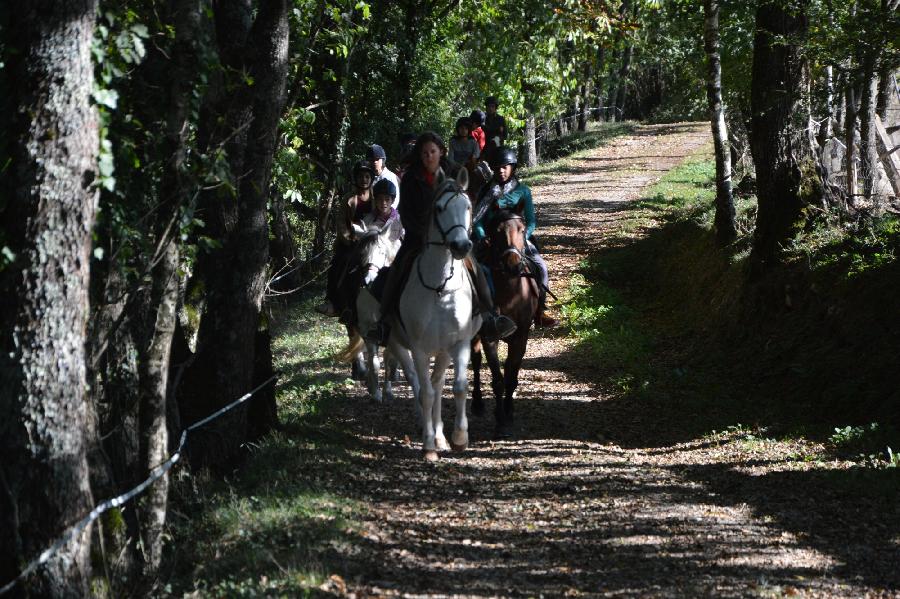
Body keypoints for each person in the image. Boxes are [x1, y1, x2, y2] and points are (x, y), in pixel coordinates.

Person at [364, 131, 516, 345]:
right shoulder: (409, 179)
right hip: (418, 238)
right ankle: (384, 323)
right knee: (396, 270)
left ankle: (491, 317)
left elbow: (467, 203)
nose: (428, 156)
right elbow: (406, 213)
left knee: (477, 268)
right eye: (424, 153)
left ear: (441, 152)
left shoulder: (454, 172)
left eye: (432, 151)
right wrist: (425, 235)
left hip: (453, 237)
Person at [473, 146, 558, 328]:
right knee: (474, 269)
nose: (501, 171)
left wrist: (523, 237)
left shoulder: (523, 191)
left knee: (541, 266)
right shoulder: (486, 191)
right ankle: (478, 312)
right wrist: (481, 236)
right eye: (498, 168)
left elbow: (532, 221)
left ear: (513, 168)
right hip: (491, 241)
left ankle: (540, 310)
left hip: (518, 239)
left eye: (505, 167)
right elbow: (478, 220)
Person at [316, 159, 375, 317]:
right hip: (351, 242)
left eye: (367, 177)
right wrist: (348, 239)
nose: (364, 180)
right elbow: (341, 222)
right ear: (356, 178)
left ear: (371, 179)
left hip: (372, 240)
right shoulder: (349, 198)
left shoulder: (376, 199)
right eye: (361, 176)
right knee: (338, 264)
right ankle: (333, 302)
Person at [367, 143, 401, 209]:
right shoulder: (367, 177)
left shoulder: (390, 177)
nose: (374, 162)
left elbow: (395, 201)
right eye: (371, 160)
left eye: (377, 159)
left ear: (382, 160)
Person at [482, 96, 507, 166]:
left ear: (495, 108)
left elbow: (505, 135)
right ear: (486, 107)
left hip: (497, 148)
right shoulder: (482, 118)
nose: (490, 108)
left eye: (492, 106)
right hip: (484, 149)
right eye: (489, 106)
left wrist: (491, 131)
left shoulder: (500, 119)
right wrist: (496, 130)